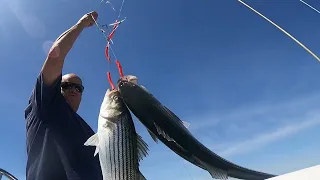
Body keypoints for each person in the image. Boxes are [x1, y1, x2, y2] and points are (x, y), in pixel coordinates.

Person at [24, 11, 103, 180]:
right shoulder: (46, 106)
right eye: (66, 85)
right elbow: (54, 56)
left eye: (78, 88)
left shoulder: (89, 131)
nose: (73, 90)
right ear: (56, 88)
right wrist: (80, 25)